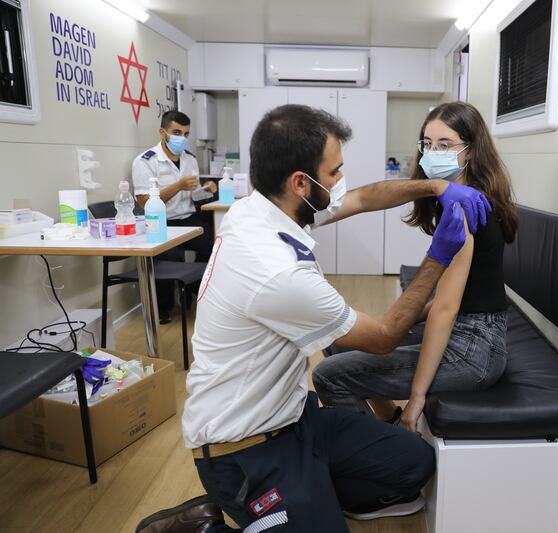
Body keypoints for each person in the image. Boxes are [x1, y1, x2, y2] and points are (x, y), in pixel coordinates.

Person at [135, 103, 491, 533]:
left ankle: (307, 495)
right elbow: (384, 337)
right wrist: (438, 256)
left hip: (295, 421)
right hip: (242, 450)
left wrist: (435, 186)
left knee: (414, 461)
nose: (341, 183)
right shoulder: (277, 272)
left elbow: (362, 198)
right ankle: (212, 523)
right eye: (335, 172)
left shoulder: (258, 208)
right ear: (300, 182)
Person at [312, 101, 518, 433]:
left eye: (445, 145)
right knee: (340, 339)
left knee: (329, 375)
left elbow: (447, 309)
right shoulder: (458, 196)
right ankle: (388, 424)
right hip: (474, 331)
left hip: (474, 352)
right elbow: (463, 295)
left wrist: (417, 398)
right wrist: (385, 327)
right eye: (428, 143)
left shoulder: (463, 210)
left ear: (471, 152)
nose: (433, 152)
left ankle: (386, 461)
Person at [132, 110, 217, 323]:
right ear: (163, 132)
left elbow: (193, 194)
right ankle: (163, 307)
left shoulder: (190, 159)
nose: (182, 138)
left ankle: (195, 290)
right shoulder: (145, 161)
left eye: (186, 134)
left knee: (213, 244)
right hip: (161, 222)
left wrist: (206, 190)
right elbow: (144, 203)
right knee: (170, 257)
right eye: (177, 132)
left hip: (187, 218)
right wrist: (178, 185)